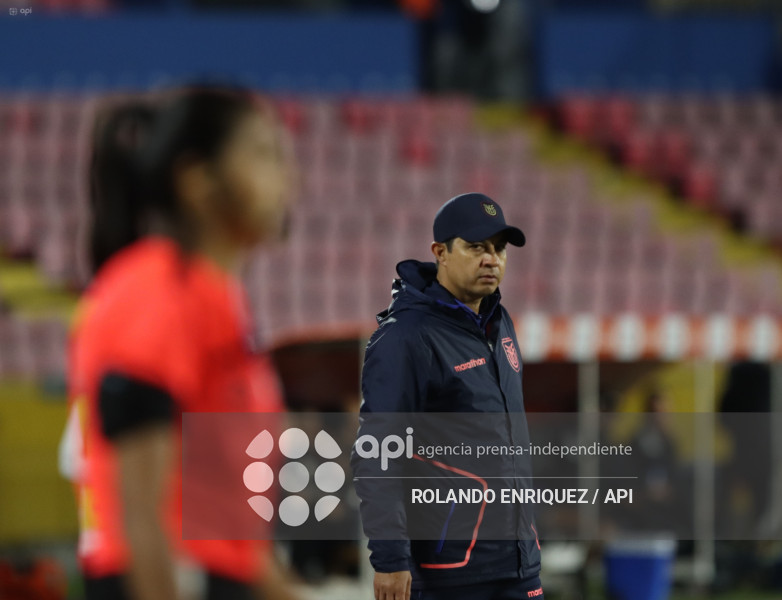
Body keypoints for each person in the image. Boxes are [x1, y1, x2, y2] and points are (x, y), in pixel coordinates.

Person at [61, 86, 299, 600]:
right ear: (197, 181)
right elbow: (140, 520)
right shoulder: (152, 294)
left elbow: (234, 539)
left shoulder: (218, 303)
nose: (285, 177)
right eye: (262, 154)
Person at [352, 193, 543, 600]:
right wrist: (390, 559)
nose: (492, 259)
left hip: (519, 563)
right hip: (449, 573)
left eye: (499, 249)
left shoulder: (500, 321)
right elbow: (378, 453)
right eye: (477, 247)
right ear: (440, 252)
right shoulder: (405, 338)